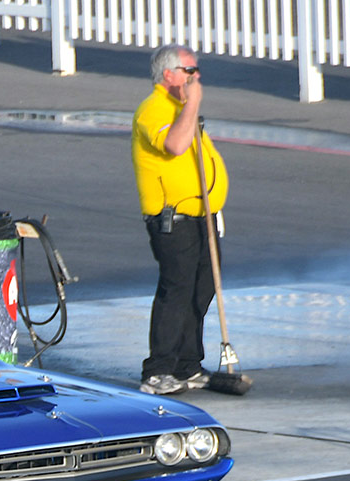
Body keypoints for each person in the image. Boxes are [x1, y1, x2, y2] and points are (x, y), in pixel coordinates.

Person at [131, 44, 229, 395]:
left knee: (201, 289)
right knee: (177, 289)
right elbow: (174, 145)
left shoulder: (179, 108)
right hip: (173, 218)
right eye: (189, 71)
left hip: (203, 216)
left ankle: (188, 364)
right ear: (168, 74)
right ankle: (158, 369)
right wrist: (192, 104)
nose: (195, 77)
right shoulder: (154, 109)